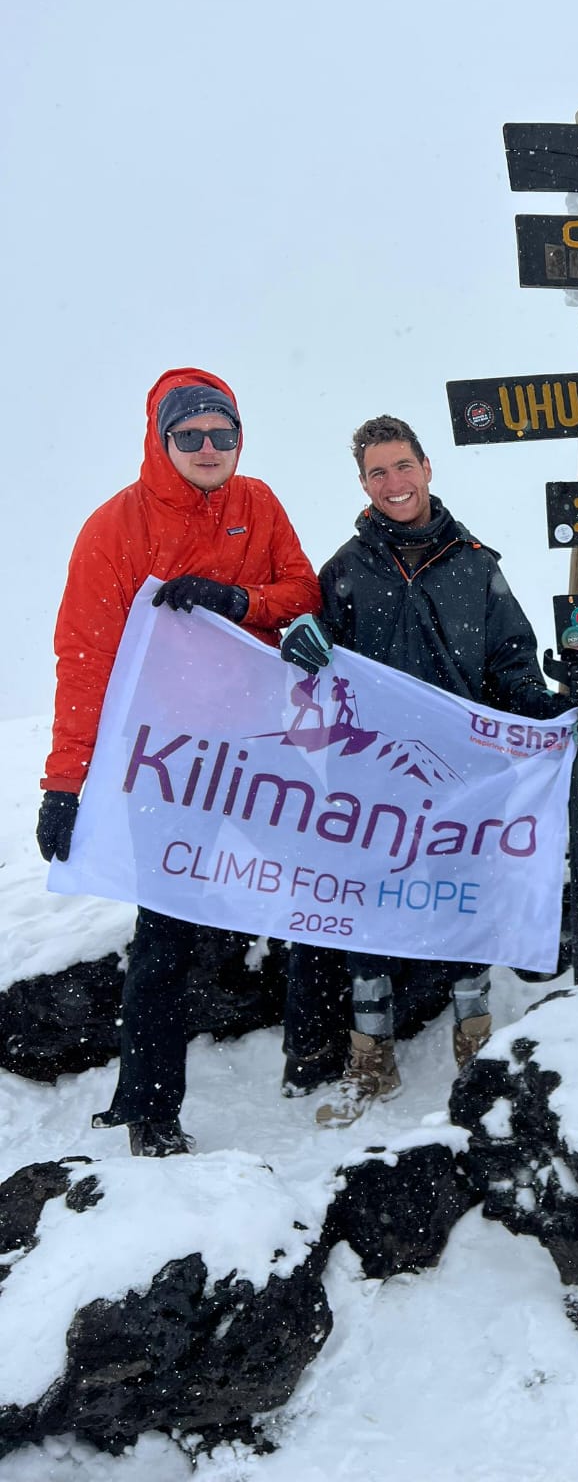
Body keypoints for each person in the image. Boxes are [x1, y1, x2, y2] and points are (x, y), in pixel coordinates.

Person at [279, 414, 578, 1126]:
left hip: (463, 778)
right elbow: (311, 671)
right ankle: (371, 1058)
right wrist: (298, 643)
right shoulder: (344, 572)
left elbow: (511, 667)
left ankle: (475, 1045)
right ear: (362, 484)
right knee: (366, 917)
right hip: (371, 781)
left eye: (403, 467)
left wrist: (550, 714)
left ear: (428, 468)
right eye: (377, 473)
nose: (394, 483)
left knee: (462, 906)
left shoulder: (476, 566)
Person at [35, 368, 320, 1157]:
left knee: (322, 892)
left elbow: (302, 592)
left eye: (221, 434)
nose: (207, 447)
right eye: (189, 434)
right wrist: (65, 783)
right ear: (161, 440)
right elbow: (84, 662)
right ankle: (148, 1109)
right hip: (167, 765)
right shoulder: (114, 528)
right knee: (167, 933)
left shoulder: (257, 504)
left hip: (263, 752)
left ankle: (318, 1061)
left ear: (239, 440)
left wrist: (242, 604)